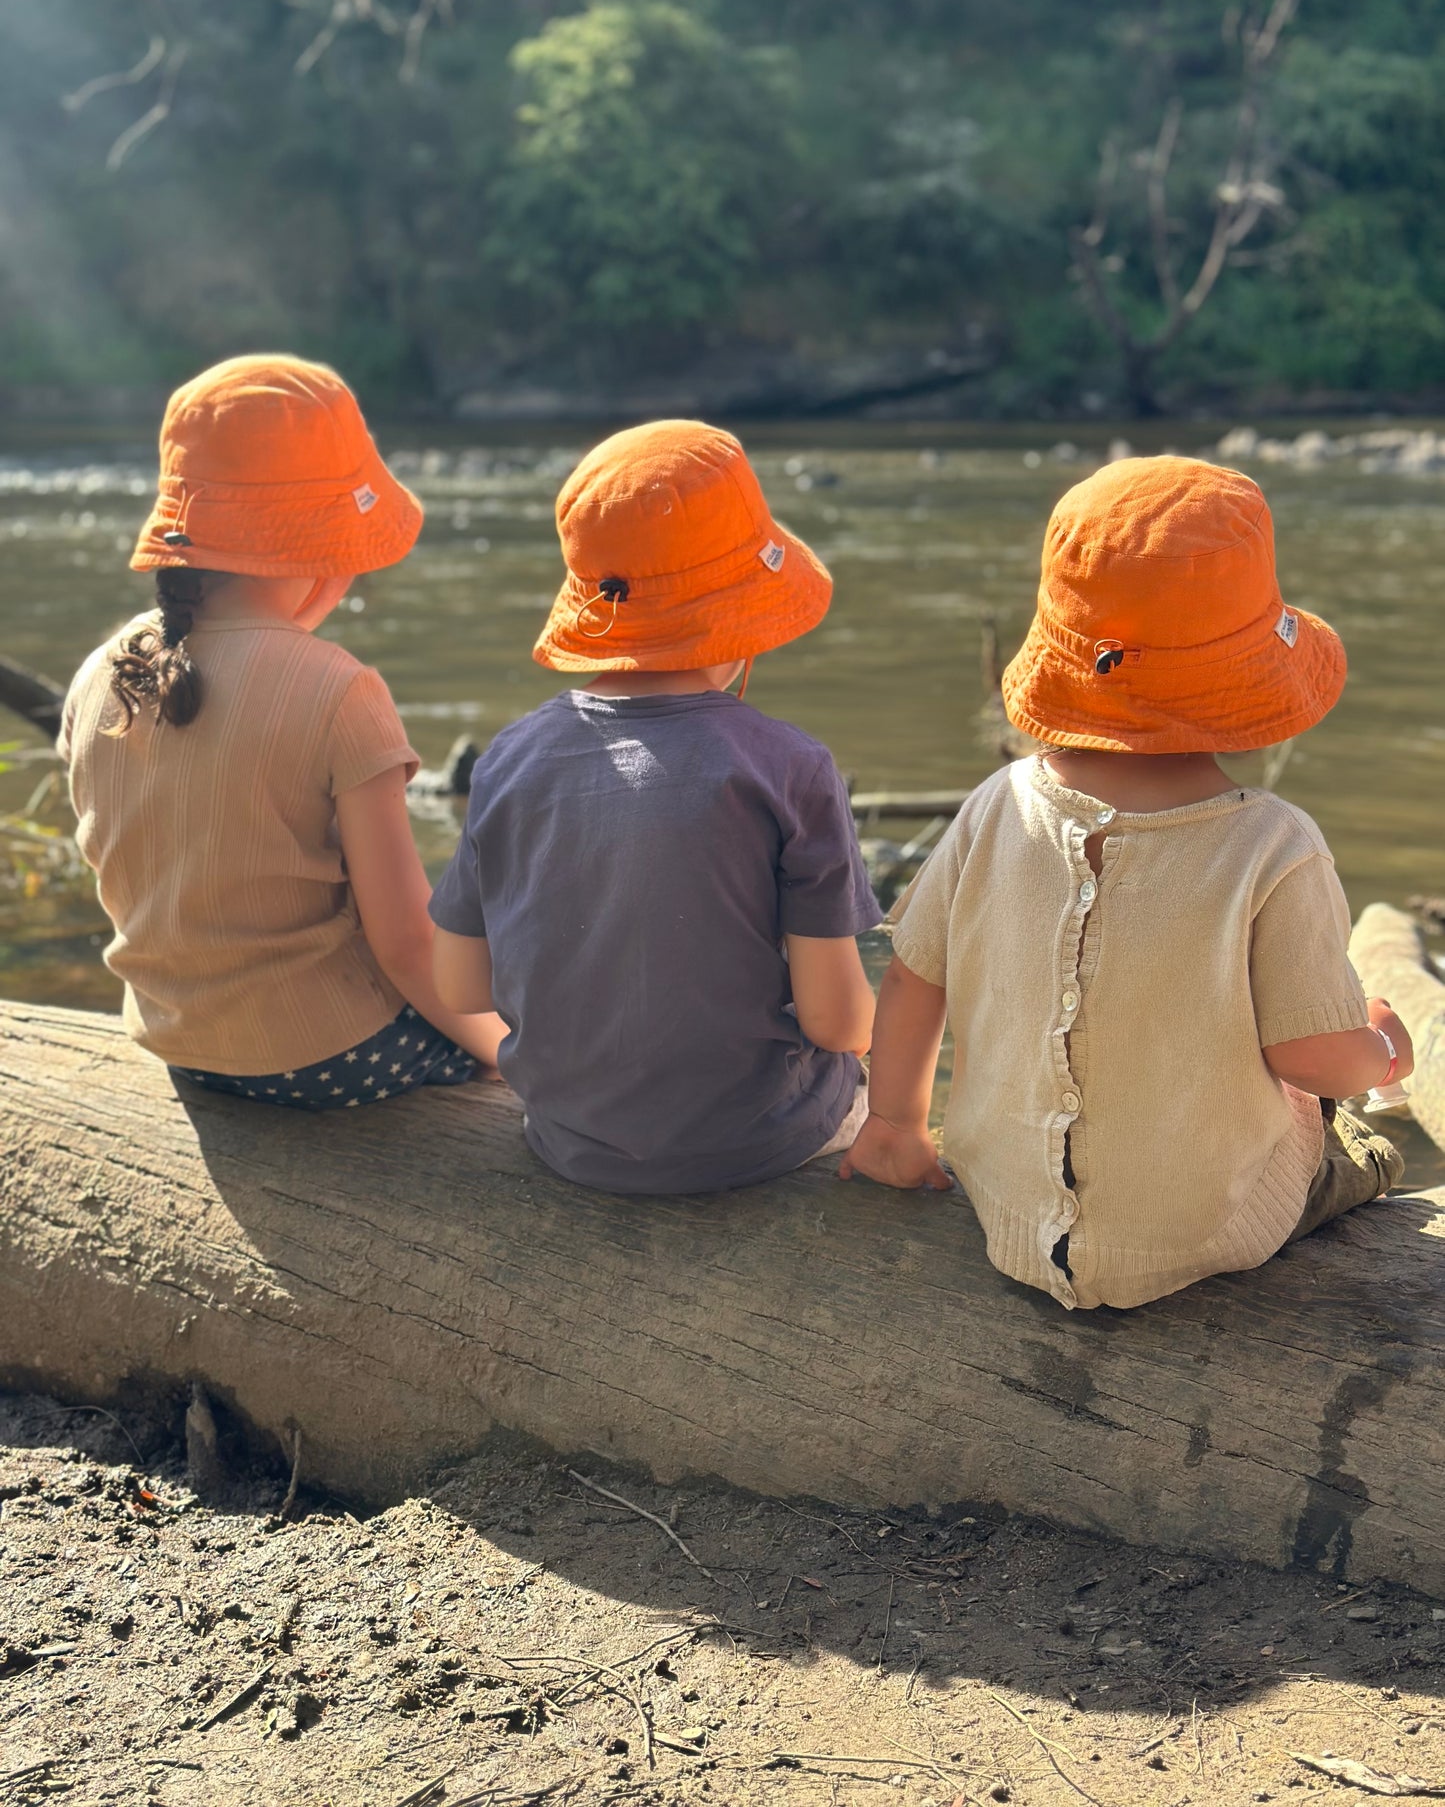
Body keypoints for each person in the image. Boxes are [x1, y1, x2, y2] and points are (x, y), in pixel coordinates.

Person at [841, 454, 1412, 1310]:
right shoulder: (1272, 845)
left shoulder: (995, 805)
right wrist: (1382, 1048)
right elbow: (1313, 1059)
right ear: (1243, 675)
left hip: (1007, 1212)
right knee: (1362, 1139)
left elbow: (916, 976)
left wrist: (892, 1126)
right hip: (1204, 1232)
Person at [428, 418, 881, 1194]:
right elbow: (837, 1025)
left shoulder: (508, 757)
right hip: (757, 1141)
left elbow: (463, 988)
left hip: (569, 1140)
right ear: (740, 613)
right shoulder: (790, 765)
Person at [59, 354, 504, 1108]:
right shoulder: (341, 690)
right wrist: (509, 1053)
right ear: (321, 550)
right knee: (508, 982)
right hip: (321, 1051)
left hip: (176, 1041)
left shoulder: (100, 670)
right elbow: (403, 944)